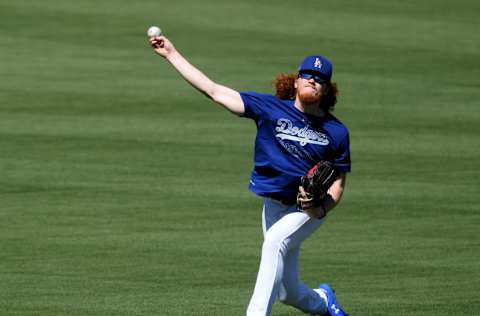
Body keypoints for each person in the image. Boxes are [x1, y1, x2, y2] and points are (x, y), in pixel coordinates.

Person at [149, 34, 351, 316]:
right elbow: (214, 91)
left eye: (319, 78)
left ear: (327, 89)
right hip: (273, 205)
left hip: (305, 209)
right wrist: (171, 54)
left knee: (274, 243)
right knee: (287, 291)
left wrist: (321, 208)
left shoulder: (336, 132)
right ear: (295, 81)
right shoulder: (268, 109)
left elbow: (338, 185)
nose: (312, 80)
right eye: (307, 75)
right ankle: (323, 301)